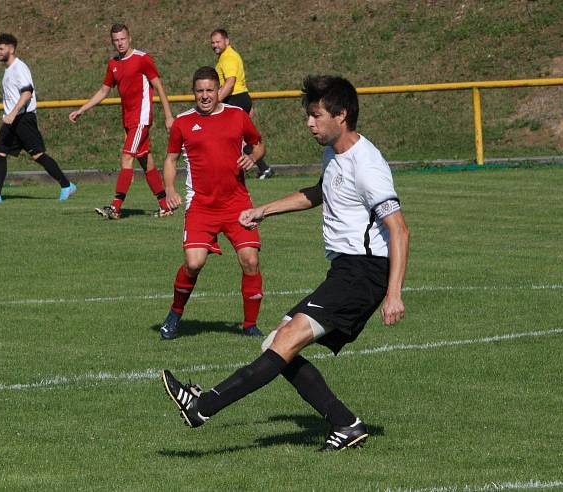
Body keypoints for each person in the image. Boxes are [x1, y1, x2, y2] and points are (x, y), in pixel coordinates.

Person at [161, 75, 410, 452]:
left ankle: (202, 406)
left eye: (316, 116)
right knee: (274, 345)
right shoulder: (335, 154)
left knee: (285, 342)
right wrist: (263, 210)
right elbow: (317, 193)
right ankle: (346, 423)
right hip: (345, 270)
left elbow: (400, 230)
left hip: (364, 272)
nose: (309, 124)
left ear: (341, 115)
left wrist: (394, 294)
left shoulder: (367, 164)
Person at [158, 66, 267, 340]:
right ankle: (174, 314)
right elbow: (170, 159)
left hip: (237, 204)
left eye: (210, 90)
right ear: (193, 93)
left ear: (219, 91)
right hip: (201, 206)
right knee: (193, 263)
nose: (205, 96)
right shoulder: (183, 123)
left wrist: (253, 158)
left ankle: (250, 325)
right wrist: (169, 189)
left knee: (250, 260)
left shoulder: (237, 116)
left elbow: (258, 144)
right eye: (199, 91)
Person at [69, 24, 174, 219]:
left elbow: (158, 85)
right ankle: (164, 205)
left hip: (141, 119)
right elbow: (103, 91)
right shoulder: (113, 64)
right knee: (146, 161)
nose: (120, 43)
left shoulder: (142, 59)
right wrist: (82, 109)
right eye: (116, 40)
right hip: (128, 120)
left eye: (122, 39)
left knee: (126, 157)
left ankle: (115, 207)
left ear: (130, 38)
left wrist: (169, 116)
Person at [0, 33, 76, 204]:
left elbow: (27, 93)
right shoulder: (8, 70)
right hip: (12, 120)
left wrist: (13, 114)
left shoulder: (19, 68)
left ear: (11, 49)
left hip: (23, 119)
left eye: (1, 48)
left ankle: (67, 185)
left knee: (38, 155)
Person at [210, 28, 274, 180]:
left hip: (235, 98)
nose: (215, 45)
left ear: (227, 41)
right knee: (239, 138)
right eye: (212, 42)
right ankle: (263, 168)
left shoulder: (228, 58)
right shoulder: (227, 56)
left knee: (232, 137)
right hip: (239, 98)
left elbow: (230, 83)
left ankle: (235, 170)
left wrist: (216, 101)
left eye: (218, 41)